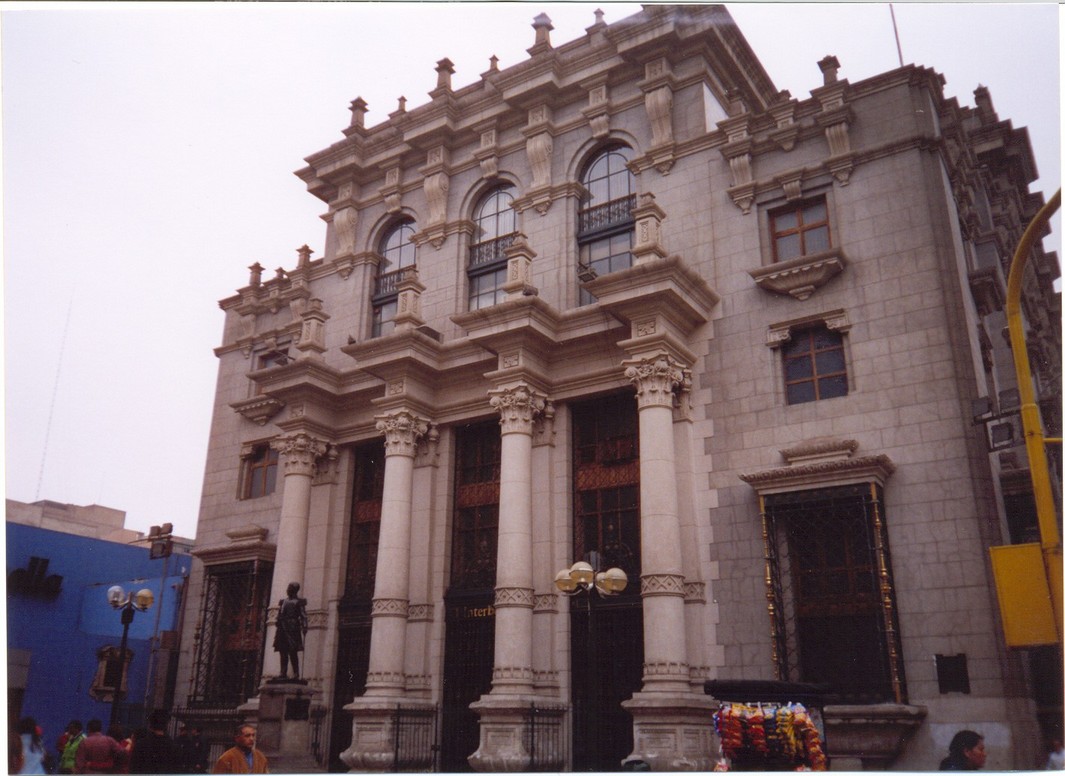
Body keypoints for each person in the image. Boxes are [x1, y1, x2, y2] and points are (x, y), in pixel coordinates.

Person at [272, 582, 308, 679]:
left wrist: (305, 626)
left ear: (294, 590)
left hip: (293, 628)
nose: (287, 590)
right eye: (288, 588)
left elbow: (303, 615)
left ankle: (296, 673)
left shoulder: (298, 602)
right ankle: (283, 672)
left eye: (289, 588)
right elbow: (280, 613)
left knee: (293, 651)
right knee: (282, 651)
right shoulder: (283, 601)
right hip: (282, 628)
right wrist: (278, 620)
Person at [128, 710, 179, 774]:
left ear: (150, 725)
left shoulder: (141, 745)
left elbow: (133, 769)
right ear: (167, 725)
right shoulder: (173, 746)